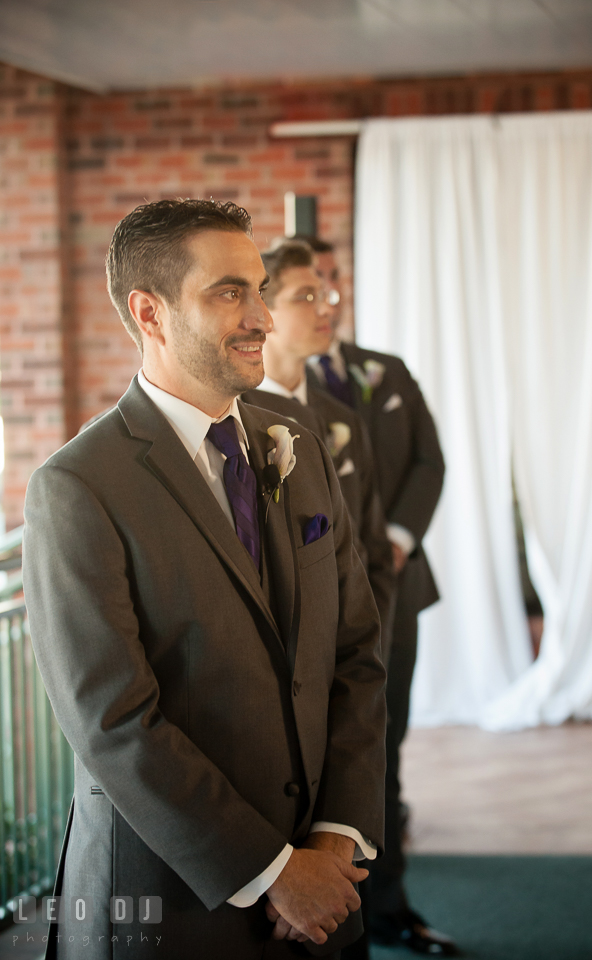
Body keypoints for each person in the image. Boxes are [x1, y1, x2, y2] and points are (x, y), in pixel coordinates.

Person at [22, 200, 387, 960]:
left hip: (324, 896)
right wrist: (273, 871)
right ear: (149, 314)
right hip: (172, 911)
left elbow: (353, 651)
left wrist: (333, 838)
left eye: (259, 289)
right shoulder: (77, 488)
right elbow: (114, 724)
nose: (261, 316)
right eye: (229, 292)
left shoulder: (301, 450)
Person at [305, 238, 456, 957]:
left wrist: (395, 536)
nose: (327, 298)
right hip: (318, 599)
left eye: (332, 283)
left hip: (395, 585)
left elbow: (429, 458)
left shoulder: (383, 372)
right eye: (310, 286)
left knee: (383, 744)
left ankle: (388, 903)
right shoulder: (268, 387)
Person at [242, 240, 395, 667]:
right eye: (305, 298)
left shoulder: (342, 419)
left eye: (324, 296)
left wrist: (369, 641)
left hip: (355, 649)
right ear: (264, 312)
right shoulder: (233, 420)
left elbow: (372, 546)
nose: (326, 310)